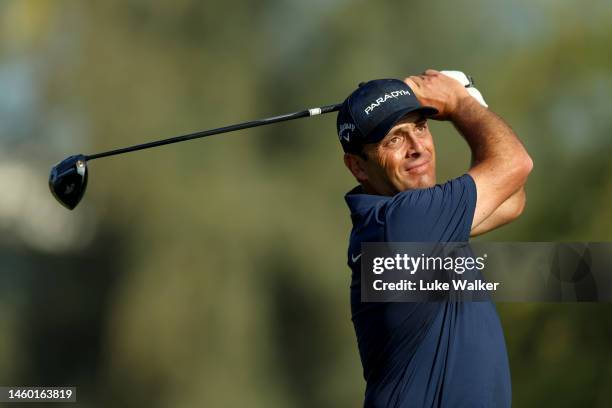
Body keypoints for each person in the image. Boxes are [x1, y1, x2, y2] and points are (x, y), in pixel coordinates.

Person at [337, 69, 533, 407]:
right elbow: (515, 163)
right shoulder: (402, 225)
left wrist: (469, 98)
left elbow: (511, 199)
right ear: (358, 167)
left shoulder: (405, 227)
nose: (417, 147)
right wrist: (457, 101)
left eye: (420, 127)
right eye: (393, 139)